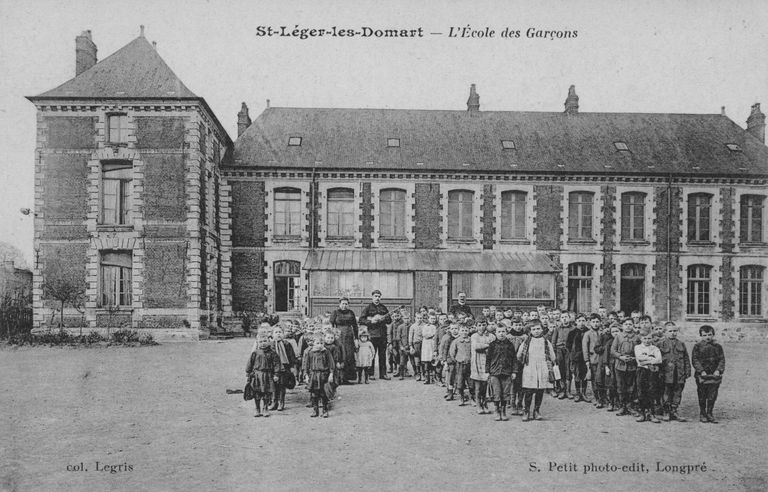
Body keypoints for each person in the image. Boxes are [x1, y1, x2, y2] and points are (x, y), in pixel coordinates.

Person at [516, 320, 558, 421]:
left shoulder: (545, 341)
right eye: (534, 329)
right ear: (530, 331)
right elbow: (519, 355)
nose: (536, 331)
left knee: (540, 391)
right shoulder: (527, 342)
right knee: (529, 391)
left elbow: (552, 356)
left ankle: (536, 410)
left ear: (542, 329)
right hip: (529, 369)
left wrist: (549, 364)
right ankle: (526, 411)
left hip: (542, 368)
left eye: (538, 329)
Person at [657, 322, 690, 422]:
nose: (673, 333)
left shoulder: (681, 344)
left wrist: (687, 371)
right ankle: (666, 410)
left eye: (675, 331)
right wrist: (659, 372)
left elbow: (686, 359)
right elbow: (657, 359)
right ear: (665, 332)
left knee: (678, 391)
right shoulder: (660, 344)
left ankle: (674, 410)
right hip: (666, 373)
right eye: (670, 331)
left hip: (679, 373)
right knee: (666, 392)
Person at [692, 325, 725, 423]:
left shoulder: (718, 347)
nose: (707, 337)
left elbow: (721, 359)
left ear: (713, 335)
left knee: (712, 395)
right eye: (704, 335)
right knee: (702, 395)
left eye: (710, 335)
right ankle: (702, 413)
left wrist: (718, 370)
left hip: (714, 374)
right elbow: (695, 359)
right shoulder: (697, 346)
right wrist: (701, 370)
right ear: (701, 336)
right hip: (702, 375)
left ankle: (710, 412)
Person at [486, 325, 518, 421]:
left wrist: (514, 371)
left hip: (506, 372)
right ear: (495, 333)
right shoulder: (492, 345)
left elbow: (514, 359)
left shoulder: (510, 345)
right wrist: (487, 371)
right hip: (494, 372)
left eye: (503, 331)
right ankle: (497, 410)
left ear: (506, 333)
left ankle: (503, 411)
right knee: (496, 392)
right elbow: (488, 359)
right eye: (499, 332)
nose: (501, 334)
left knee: (505, 392)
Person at [359, 290, 392, 380]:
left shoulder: (384, 308)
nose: (377, 298)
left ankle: (383, 374)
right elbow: (361, 320)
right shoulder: (368, 308)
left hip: (382, 335)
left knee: (382, 355)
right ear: (372, 297)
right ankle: (371, 374)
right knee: (372, 354)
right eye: (375, 296)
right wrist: (371, 321)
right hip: (372, 335)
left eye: (379, 296)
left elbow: (389, 320)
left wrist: (383, 319)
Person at [246, 332, 281, 418]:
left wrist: (276, 374)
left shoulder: (273, 353)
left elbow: (277, 364)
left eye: (265, 341)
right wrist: (248, 373)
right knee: (257, 393)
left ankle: (265, 408)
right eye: (261, 341)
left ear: (269, 341)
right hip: (257, 375)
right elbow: (249, 363)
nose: (263, 343)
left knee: (267, 393)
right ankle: (257, 408)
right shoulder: (255, 353)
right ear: (257, 342)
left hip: (268, 375)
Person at [611, 318, 639, 416]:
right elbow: (613, 350)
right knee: (620, 386)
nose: (628, 326)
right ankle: (622, 406)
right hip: (620, 366)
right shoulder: (618, 337)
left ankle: (630, 406)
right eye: (626, 324)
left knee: (631, 386)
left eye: (630, 324)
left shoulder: (637, 337)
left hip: (632, 366)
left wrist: (634, 358)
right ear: (622, 326)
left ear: (633, 325)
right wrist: (620, 357)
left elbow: (640, 350)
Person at [303, 332, 335, 418]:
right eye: (317, 343)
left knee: (323, 394)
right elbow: (306, 365)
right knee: (314, 394)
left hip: (323, 375)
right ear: (313, 343)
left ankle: (325, 410)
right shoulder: (310, 353)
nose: (320, 345)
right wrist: (306, 375)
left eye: (322, 343)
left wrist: (331, 374)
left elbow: (331, 364)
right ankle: (315, 410)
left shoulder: (326, 352)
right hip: (313, 375)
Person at [634, 330, 662, 423]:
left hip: (652, 371)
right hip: (641, 371)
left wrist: (647, 360)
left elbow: (659, 360)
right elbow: (640, 359)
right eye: (644, 338)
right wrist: (651, 358)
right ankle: (642, 412)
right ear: (641, 339)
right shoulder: (637, 347)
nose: (647, 340)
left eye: (649, 338)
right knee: (641, 391)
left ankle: (651, 413)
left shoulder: (655, 348)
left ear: (652, 338)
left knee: (652, 390)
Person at [329, 297, 359, 384]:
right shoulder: (335, 312)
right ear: (339, 304)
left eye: (346, 304)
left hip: (349, 336)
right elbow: (331, 325)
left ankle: (346, 378)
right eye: (343, 304)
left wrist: (356, 338)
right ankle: (338, 378)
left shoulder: (351, 313)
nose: (344, 306)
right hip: (339, 336)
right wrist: (333, 336)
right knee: (340, 355)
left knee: (349, 355)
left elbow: (355, 326)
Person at [470, 320, 494, 414]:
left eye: (484, 325)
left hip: (487, 362)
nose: (482, 327)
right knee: (478, 386)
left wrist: (487, 347)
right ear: (476, 326)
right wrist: (488, 345)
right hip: (477, 362)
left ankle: (485, 404)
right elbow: (476, 346)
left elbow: (493, 347)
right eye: (479, 325)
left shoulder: (491, 336)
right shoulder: (474, 336)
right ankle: (478, 404)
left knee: (485, 385)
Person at [271, 326, 297, 411]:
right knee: (274, 386)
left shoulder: (287, 344)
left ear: (283, 334)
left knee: (282, 385)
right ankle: (274, 402)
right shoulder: (271, 345)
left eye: (280, 332)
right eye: (276, 332)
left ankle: (281, 402)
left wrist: (292, 366)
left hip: (284, 367)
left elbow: (291, 356)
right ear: (272, 335)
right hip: (273, 368)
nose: (278, 334)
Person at [448, 325, 472, 405]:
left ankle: (473, 398)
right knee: (460, 382)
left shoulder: (471, 340)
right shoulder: (456, 341)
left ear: (468, 331)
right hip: (460, 365)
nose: (464, 332)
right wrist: (457, 360)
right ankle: (461, 398)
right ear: (459, 331)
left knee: (470, 382)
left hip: (469, 364)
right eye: (462, 330)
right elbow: (452, 353)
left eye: (466, 330)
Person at [420, 313, 438, 384]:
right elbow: (425, 335)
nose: (433, 320)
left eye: (434, 319)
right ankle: (427, 378)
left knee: (433, 362)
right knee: (426, 363)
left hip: (433, 345)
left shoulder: (437, 326)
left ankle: (434, 378)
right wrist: (433, 334)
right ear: (428, 319)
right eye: (431, 318)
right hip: (426, 347)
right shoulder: (425, 326)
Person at [408, 312, 424, 381]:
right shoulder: (413, 326)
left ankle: (423, 373)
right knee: (417, 360)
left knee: (423, 359)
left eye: (420, 318)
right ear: (415, 318)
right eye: (418, 318)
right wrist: (411, 346)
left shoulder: (424, 325)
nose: (419, 319)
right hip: (416, 344)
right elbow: (410, 337)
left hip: (423, 344)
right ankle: (418, 373)